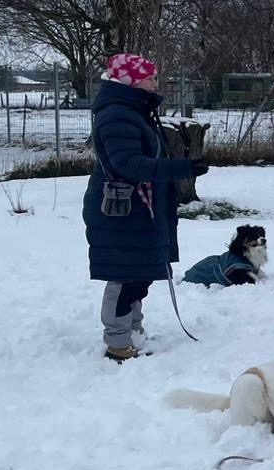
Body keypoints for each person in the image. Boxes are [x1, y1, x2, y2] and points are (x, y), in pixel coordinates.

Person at [82, 53, 209, 362]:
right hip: (120, 211)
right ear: (130, 81)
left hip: (140, 208)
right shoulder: (117, 115)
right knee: (124, 275)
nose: (156, 82)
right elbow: (129, 165)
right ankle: (117, 342)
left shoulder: (135, 111)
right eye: (150, 77)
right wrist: (180, 168)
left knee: (139, 272)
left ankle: (132, 331)